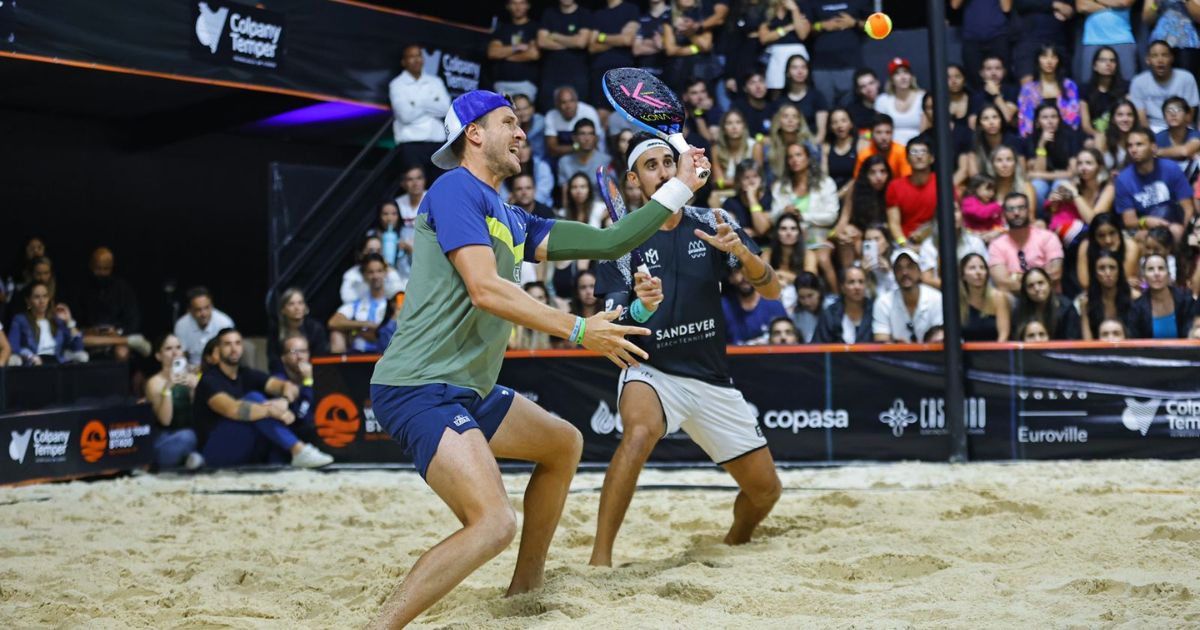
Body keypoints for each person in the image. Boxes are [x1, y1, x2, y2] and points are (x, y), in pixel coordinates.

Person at [365, 91, 709, 627]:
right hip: (418, 386)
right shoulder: (456, 188)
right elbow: (485, 289)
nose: (522, 132)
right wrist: (577, 328)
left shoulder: (511, 217)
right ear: (473, 135)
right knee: (493, 524)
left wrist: (681, 185)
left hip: (467, 389)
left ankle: (524, 590)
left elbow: (611, 240)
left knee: (564, 444)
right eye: (509, 122)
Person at [590, 131, 781, 566]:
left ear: (680, 169)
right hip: (653, 371)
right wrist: (641, 305)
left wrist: (744, 256)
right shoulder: (619, 239)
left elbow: (771, 290)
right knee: (638, 434)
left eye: (666, 162)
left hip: (710, 377)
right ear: (633, 180)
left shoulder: (713, 219)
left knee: (766, 491)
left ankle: (733, 543)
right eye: (649, 166)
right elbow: (615, 324)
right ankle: (600, 559)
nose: (660, 172)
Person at [193, 328, 333, 469]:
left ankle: (292, 455)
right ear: (218, 349)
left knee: (261, 409)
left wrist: (283, 400)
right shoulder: (209, 380)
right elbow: (233, 409)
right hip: (215, 451)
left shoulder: (246, 374)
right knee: (254, 398)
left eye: (237, 343)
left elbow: (287, 386)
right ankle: (299, 450)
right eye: (227, 344)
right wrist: (271, 410)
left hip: (246, 446)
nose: (234, 348)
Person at [770, 142, 839, 290]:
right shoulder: (780, 186)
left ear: (808, 158)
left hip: (817, 238)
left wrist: (803, 216)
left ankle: (835, 296)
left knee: (823, 258)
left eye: (798, 155)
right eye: (790, 157)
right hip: (790, 237)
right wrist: (784, 212)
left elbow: (832, 215)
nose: (794, 160)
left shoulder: (825, 183)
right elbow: (774, 217)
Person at [1116, 127, 1195, 243]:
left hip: (1174, 222)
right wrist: (1145, 221)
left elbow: (1188, 208)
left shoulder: (1171, 168)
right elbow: (1129, 221)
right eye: (1130, 145)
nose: (1133, 150)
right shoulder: (1123, 179)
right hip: (1143, 228)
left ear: (1153, 147)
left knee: (1177, 231)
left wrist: (1183, 229)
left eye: (1139, 145)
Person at [71, 246, 148, 361]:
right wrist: (90, 330)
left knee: (122, 352)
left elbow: (133, 320)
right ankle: (128, 341)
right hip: (90, 336)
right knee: (79, 342)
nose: (102, 273)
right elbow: (74, 320)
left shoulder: (122, 288)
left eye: (106, 269)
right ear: (91, 266)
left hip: (116, 335)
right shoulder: (81, 288)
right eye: (98, 268)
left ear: (112, 268)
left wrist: (117, 331)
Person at [389, 45, 451, 183]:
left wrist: (416, 103)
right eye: (411, 56)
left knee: (441, 188)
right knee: (416, 189)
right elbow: (405, 116)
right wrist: (431, 102)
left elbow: (445, 109)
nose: (416, 60)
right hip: (411, 146)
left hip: (438, 144)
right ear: (403, 62)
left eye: (418, 56)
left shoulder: (435, 81)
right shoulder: (397, 84)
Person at [145, 334, 203, 470]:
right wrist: (168, 389)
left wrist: (195, 389)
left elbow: (200, 416)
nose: (175, 352)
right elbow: (165, 421)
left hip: (192, 432)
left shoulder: (192, 378)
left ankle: (189, 459)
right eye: (169, 349)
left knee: (196, 435)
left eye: (178, 347)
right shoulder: (154, 383)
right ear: (159, 356)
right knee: (187, 436)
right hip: (167, 437)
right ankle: (189, 459)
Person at [988, 192, 1064, 291]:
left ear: (1028, 211)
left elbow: (1055, 274)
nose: (1016, 213)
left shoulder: (1048, 237)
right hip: (1014, 299)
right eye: (1011, 209)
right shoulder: (996, 245)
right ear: (1004, 215)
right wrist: (1036, 283)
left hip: (1048, 297)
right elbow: (1002, 283)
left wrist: (1017, 277)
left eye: (1021, 208)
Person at [804, 0, 869, 107]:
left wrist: (854, 23)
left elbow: (877, 26)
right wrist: (820, 25)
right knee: (824, 108)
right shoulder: (813, 2)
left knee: (851, 109)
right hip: (822, 67)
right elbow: (804, 31)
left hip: (850, 64)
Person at [1047, 148, 1115, 251]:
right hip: (1074, 237)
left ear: (1099, 167)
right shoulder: (1073, 185)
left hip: (1101, 233)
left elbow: (1094, 221)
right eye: (1080, 163)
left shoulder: (1108, 188)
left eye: (1088, 163)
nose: (1083, 167)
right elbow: (1056, 217)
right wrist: (1054, 204)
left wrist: (1075, 194)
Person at [872, 249, 943, 343]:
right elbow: (881, 341)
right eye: (899, 268)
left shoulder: (937, 298)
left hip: (931, 356)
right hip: (895, 356)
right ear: (894, 273)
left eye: (910, 267)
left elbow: (941, 339)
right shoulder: (883, 302)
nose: (904, 272)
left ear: (919, 271)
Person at [835, 154, 891, 270]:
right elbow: (844, 218)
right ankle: (850, 277)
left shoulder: (893, 188)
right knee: (848, 233)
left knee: (876, 238)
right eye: (873, 172)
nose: (879, 177)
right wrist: (840, 235)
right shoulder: (856, 188)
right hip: (862, 235)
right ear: (866, 175)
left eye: (882, 172)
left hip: (886, 234)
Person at [1130, 41, 1200, 134]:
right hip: (1153, 127)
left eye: (1164, 55)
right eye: (1155, 56)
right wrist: (1150, 139)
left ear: (1172, 58)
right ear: (1148, 60)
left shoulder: (1186, 78)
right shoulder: (1138, 82)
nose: (1160, 60)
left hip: (1182, 126)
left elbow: (1189, 113)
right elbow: (1141, 117)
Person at [8, 282, 85, 366]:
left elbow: (77, 347)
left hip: (57, 362)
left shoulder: (57, 320)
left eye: (45, 296)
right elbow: (13, 347)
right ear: (28, 300)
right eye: (37, 297)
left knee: (82, 355)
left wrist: (69, 321)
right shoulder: (20, 320)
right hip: (33, 363)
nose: (42, 301)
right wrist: (30, 356)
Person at [536, 0, 593, 112]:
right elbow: (542, 41)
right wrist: (571, 42)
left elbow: (580, 42)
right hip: (552, 74)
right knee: (549, 110)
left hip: (577, 73)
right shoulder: (549, 13)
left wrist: (555, 36)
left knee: (579, 111)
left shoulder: (584, 14)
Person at [329, 254, 391, 354]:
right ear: (364, 275)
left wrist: (359, 332)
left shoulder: (393, 303)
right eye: (371, 272)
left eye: (379, 271)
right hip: (358, 356)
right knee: (336, 334)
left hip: (385, 355)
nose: (375, 276)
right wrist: (365, 324)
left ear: (385, 273)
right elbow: (333, 322)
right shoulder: (357, 303)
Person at [1024, 102, 1081, 209]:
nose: (1050, 121)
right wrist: (1041, 145)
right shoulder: (1031, 139)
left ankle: (1058, 220)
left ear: (1059, 119)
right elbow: (1036, 170)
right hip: (1043, 181)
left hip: (1064, 180)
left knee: (1060, 184)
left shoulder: (1070, 137)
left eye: (1053, 117)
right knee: (1037, 186)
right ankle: (1040, 219)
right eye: (1045, 117)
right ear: (1037, 121)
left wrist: (1042, 175)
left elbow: (1072, 173)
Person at [1017, 44, 1081, 138]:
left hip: (1066, 137)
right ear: (1038, 60)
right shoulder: (1028, 89)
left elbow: (1074, 119)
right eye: (1044, 56)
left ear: (1058, 60)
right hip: (1036, 138)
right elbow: (1024, 122)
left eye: (1053, 57)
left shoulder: (1069, 86)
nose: (1049, 61)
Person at [885, 138, 939, 247]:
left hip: (936, 242)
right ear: (907, 159)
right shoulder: (895, 186)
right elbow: (894, 224)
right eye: (914, 152)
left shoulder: (942, 184)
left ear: (932, 158)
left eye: (923, 152)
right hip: (905, 243)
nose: (919, 156)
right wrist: (904, 244)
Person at [1129, 253, 1197, 338]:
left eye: (1161, 268)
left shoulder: (1186, 301)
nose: (1156, 273)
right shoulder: (1136, 308)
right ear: (1144, 277)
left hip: (1184, 351)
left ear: (1168, 274)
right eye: (1150, 269)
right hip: (1150, 351)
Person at [919, 208, 988, 289]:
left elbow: (985, 272)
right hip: (940, 293)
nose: (952, 215)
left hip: (974, 292)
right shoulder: (929, 245)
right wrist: (957, 291)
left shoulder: (975, 242)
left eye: (955, 210)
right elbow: (927, 278)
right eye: (947, 211)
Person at [1078, 248, 1139, 340]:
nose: (1108, 273)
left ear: (1119, 271)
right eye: (1102, 268)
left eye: (1112, 267)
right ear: (1094, 273)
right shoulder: (1087, 302)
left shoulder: (1134, 297)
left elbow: (1140, 335)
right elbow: (1087, 343)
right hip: (1098, 352)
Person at [488, 0, 542, 102]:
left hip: (525, 84)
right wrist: (516, 48)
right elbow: (492, 53)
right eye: (514, 3)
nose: (518, 7)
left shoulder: (535, 28)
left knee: (522, 116)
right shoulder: (502, 28)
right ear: (508, 6)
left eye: (522, 3)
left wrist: (504, 55)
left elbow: (533, 54)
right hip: (501, 84)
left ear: (528, 5)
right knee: (501, 116)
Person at [761, 214, 817, 312]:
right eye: (783, 229)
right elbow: (763, 279)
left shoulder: (809, 254)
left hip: (801, 298)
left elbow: (808, 281)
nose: (788, 232)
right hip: (775, 294)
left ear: (799, 233)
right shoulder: (767, 254)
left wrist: (779, 274)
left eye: (793, 229)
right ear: (777, 233)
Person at [1009, 2, 1074, 84]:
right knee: (1028, 83)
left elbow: (1070, 8)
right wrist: (1054, 4)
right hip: (1028, 38)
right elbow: (1020, 3)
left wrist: (1069, 11)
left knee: (1061, 84)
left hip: (1058, 38)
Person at [953, 0, 1011, 92]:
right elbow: (954, 5)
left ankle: (1001, 103)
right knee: (974, 77)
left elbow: (1006, 8)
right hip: (972, 36)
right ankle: (981, 104)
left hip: (997, 34)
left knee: (1002, 76)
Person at [267, 288, 328, 374]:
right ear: (283, 310)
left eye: (300, 303)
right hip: (285, 373)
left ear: (305, 307)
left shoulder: (315, 329)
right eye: (291, 304)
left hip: (311, 371)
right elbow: (273, 360)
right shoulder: (276, 331)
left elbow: (321, 357)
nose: (297, 308)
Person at [1077, 211, 1140, 291]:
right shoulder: (1086, 246)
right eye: (1101, 236)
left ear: (1119, 232)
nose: (1108, 240)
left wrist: (1113, 255)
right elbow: (1085, 283)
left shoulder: (1130, 246)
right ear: (1094, 237)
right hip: (1094, 294)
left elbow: (1121, 279)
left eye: (1112, 233)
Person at [662, 0, 715, 93]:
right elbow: (670, 50)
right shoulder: (668, 16)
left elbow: (706, 46)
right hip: (676, 70)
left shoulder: (704, 15)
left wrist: (690, 33)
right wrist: (695, 48)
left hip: (701, 69)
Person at [173, 287, 234, 368]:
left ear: (212, 305)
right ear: (190, 310)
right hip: (191, 369)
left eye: (207, 308)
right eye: (198, 310)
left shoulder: (224, 323)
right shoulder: (181, 325)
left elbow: (229, 355)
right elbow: (180, 355)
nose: (203, 314)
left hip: (218, 368)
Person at [1013, 267, 1079, 339]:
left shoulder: (1067, 308)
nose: (1037, 288)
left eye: (1041, 283)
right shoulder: (1019, 310)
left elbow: (1072, 341)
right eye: (1031, 286)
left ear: (1049, 284)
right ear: (1025, 291)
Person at [758, 0, 810, 91]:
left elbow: (802, 35)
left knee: (799, 88)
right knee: (776, 89)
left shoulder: (803, 7)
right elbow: (764, 38)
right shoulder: (767, 10)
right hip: (776, 56)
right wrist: (788, 28)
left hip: (797, 54)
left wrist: (795, 10)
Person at [813, 265, 873, 343]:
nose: (857, 287)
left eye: (861, 282)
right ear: (842, 287)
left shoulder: (875, 310)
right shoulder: (830, 314)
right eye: (851, 282)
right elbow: (818, 346)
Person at [774, 54, 828, 140]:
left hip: (811, 144)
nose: (800, 71)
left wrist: (812, 149)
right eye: (795, 68)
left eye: (803, 67)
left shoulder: (817, 96)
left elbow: (821, 132)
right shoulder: (780, 100)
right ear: (788, 72)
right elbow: (775, 130)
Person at [340, 232, 406, 302]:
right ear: (360, 254)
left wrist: (390, 272)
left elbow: (400, 295)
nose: (375, 254)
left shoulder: (388, 270)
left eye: (379, 251)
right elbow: (346, 299)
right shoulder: (351, 275)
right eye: (371, 251)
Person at [960, 252, 1011, 341]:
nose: (978, 272)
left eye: (982, 268)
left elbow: (1004, 334)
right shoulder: (958, 300)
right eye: (972, 268)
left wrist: (995, 354)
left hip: (994, 351)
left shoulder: (998, 297)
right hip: (966, 353)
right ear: (963, 275)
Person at [1080, 47, 1130, 137]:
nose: (1108, 64)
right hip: (1095, 136)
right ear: (1095, 65)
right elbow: (1086, 126)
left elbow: (1129, 117)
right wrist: (1100, 137)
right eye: (1103, 60)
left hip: (1120, 135)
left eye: (1112, 61)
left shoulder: (1125, 88)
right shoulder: (1085, 90)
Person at [874, 58, 925, 146]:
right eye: (897, 74)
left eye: (905, 72)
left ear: (911, 76)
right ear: (891, 79)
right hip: (890, 150)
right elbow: (879, 130)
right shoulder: (883, 100)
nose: (903, 77)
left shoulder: (922, 97)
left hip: (917, 149)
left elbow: (924, 133)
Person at [272, 333, 318, 433]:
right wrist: (308, 382)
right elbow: (302, 417)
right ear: (283, 358)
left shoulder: (320, 377)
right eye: (294, 351)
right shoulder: (278, 382)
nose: (300, 356)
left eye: (303, 351)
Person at [1143, 0, 1200, 77]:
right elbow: (1147, 20)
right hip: (1160, 42)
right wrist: (1155, 4)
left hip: (1187, 43)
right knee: (1159, 83)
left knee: (1186, 82)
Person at [543, 86, 603, 159]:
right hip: (560, 159)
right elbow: (552, 148)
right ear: (557, 104)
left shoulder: (589, 112)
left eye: (571, 101)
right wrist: (578, 147)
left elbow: (595, 141)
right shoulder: (551, 116)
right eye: (563, 102)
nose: (568, 106)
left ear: (577, 101)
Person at [722, 159, 773, 237]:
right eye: (746, 178)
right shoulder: (730, 203)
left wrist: (752, 197)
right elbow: (730, 232)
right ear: (739, 181)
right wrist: (754, 233)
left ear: (761, 179)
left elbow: (762, 229)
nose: (751, 181)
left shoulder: (768, 198)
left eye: (755, 176)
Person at [970, 105, 1024, 179]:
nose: (991, 122)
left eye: (995, 117)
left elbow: (1022, 171)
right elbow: (974, 175)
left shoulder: (1013, 141)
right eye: (985, 118)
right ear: (980, 125)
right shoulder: (975, 143)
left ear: (1001, 120)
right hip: (985, 186)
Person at [1154, 96, 1200, 180]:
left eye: (1178, 110)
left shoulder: (1195, 135)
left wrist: (1159, 152)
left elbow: (1185, 151)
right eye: (1169, 111)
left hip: (1192, 181)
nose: (1173, 114)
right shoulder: (1158, 137)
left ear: (1187, 116)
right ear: (1164, 117)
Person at [556, 119, 609, 190]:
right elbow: (564, 193)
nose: (587, 138)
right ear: (574, 138)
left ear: (595, 138)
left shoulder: (606, 161)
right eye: (582, 134)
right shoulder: (564, 162)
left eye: (590, 134)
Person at [853, 113, 910, 179]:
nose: (884, 137)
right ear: (871, 134)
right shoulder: (864, 155)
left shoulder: (902, 152)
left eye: (888, 132)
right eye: (879, 132)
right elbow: (859, 181)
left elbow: (907, 182)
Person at [394, 168, 426, 283]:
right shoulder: (397, 203)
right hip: (401, 251)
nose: (415, 183)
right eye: (410, 179)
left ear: (424, 181)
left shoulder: (432, 199)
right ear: (403, 184)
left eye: (419, 178)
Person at [971, 54, 1019, 124]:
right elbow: (972, 124)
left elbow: (1007, 117)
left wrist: (995, 94)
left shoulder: (1012, 91)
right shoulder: (976, 95)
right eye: (988, 69)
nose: (993, 73)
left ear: (1004, 72)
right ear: (982, 73)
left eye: (998, 68)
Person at [822, 108, 858, 195]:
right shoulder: (826, 147)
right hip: (831, 193)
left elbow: (859, 177)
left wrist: (840, 194)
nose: (839, 125)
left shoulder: (860, 145)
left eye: (843, 121)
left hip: (854, 193)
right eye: (835, 122)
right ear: (830, 127)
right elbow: (824, 177)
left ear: (851, 123)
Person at [961, 174, 1005, 242]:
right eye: (988, 189)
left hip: (990, 238)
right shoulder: (968, 201)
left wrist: (995, 231)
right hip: (971, 238)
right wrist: (997, 205)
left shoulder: (992, 204)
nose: (992, 193)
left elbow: (999, 223)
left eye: (994, 190)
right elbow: (981, 213)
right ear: (976, 188)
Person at [790, 271, 824, 341]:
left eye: (810, 296)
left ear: (819, 292)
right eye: (802, 297)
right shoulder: (796, 315)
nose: (807, 302)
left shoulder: (832, 309)